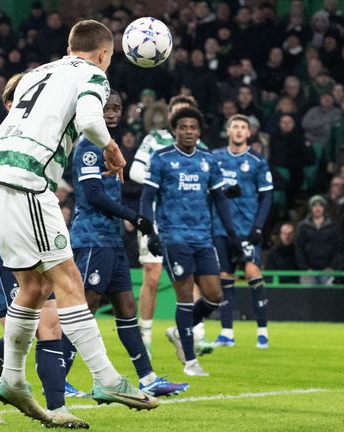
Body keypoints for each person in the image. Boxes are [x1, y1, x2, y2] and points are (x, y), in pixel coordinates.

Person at [0, 20, 158, 425]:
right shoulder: (92, 73)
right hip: (26, 180)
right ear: (104, 53)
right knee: (67, 279)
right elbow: (93, 121)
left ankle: (12, 379)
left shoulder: (37, 73)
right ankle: (106, 376)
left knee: (33, 286)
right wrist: (111, 148)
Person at [0, 74, 89, 427]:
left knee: (50, 324)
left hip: (28, 241)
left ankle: (58, 408)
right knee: (24, 332)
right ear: (10, 106)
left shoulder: (38, 140)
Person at [69, 90, 189, 397]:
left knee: (126, 307)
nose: (111, 113)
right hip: (92, 237)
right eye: (105, 108)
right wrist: (134, 218)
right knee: (87, 306)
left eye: (116, 108)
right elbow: (94, 194)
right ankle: (57, 380)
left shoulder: (111, 147)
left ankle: (148, 378)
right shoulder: (88, 145)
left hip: (111, 238)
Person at [139, 107, 241, 376]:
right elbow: (147, 197)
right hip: (174, 238)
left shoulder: (208, 160)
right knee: (184, 298)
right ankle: (190, 362)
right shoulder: (161, 158)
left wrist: (232, 235)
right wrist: (150, 232)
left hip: (203, 239)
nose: (188, 132)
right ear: (175, 130)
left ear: (199, 131)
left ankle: (177, 331)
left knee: (215, 296)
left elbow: (220, 198)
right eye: (183, 127)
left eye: (193, 127)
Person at [128, 95, 204, 355]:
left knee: (190, 276)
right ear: (171, 117)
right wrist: (164, 180)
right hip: (157, 217)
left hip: (187, 220)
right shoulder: (154, 139)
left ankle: (194, 334)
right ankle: (145, 338)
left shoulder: (199, 145)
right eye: (179, 113)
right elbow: (134, 171)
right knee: (152, 275)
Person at [211, 114, 273, 348]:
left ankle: (263, 332)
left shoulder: (257, 161)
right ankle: (227, 333)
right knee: (225, 277)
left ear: (249, 133)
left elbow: (267, 196)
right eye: (234, 127)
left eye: (242, 127)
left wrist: (258, 227)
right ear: (228, 131)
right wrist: (225, 192)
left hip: (247, 228)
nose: (238, 131)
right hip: (220, 227)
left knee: (252, 272)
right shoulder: (215, 158)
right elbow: (209, 190)